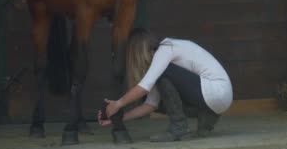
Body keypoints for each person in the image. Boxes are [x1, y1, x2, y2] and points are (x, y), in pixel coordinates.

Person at [99, 28, 233, 142]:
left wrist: (118, 104)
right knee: (159, 98)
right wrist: (119, 118)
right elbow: (150, 105)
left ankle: (179, 128)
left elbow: (144, 87)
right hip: (218, 99)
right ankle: (206, 116)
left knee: (162, 75)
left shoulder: (166, 49)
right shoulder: (162, 60)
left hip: (215, 90)